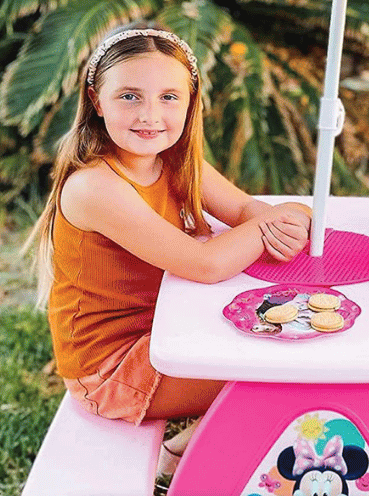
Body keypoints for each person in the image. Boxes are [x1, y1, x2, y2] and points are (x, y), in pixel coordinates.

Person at [29, 25, 313, 474]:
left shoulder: (176, 161)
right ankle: (201, 467)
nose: (150, 114)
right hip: (114, 370)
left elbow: (242, 208)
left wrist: (284, 215)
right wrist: (281, 218)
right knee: (282, 373)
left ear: (190, 102)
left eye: (168, 97)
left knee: (283, 347)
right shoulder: (94, 187)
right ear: (96, 100)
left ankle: (182, 453)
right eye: (129, 96)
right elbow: (205, 264)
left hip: (168, 330)